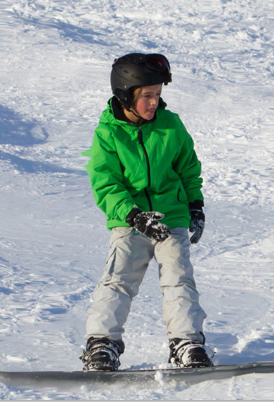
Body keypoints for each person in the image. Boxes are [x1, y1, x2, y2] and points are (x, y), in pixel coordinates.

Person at [79, 53, 211, 371]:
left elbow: (188, 167)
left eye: (157, 95)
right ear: (125, 95)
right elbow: (106, 185)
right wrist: (135, 216)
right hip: (130, 221)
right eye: (147, 96)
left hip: (171, 216)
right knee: (119, 278)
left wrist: (195, 204)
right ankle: (102, 343)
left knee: (179, 278)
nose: (154, 103)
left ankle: (186, 342)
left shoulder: (171, 125)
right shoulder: (108, 134)